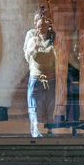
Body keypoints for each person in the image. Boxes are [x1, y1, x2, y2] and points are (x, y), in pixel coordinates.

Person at [24, 7, 57, 137]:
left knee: (51, 112)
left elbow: (60, 57)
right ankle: (37, 139)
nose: (42, 25)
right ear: (35, 22)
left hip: (52, 79)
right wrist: (36, 43)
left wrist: (54, 39)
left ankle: (52, 139)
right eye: (40, 22)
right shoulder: (31, 35)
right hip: (36, 80)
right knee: (35, 113)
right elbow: (28, 57)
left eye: (46, 21)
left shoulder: (54, 36)